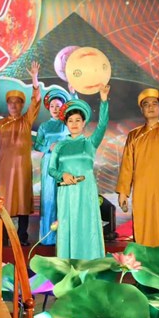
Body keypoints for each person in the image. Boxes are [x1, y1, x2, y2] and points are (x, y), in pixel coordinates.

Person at [116, 58, 159, 247]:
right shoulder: (134, 135)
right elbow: (127, 165)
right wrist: (123, 192)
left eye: (154, 103)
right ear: (141, 109)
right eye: (146, 104)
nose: (151, 106)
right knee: (144, 226)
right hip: (142, 188)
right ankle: (144, 265)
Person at [47, 85, 110, 260]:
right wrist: (63, 175)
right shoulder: (60, 146)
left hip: (86, 192)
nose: (74, 124)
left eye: (77, 120)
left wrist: (104, 100)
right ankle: (69, 266)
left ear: (83, 123)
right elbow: (52, 169)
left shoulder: (89, 144)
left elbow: (103, 125)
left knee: (86, 225)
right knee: (68, 225)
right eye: (70, 121)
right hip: (66, 192)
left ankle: (90, 265)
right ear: (66, 123)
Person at [0, 61, 42, 245]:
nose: (14, 106)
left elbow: (36, 102)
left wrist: (34, 79)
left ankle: (22, 236)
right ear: (7, 105)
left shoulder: (26, 121)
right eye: (11, 103)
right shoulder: (1, 124)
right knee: (4, 202)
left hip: (22, 169)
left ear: (22, 105)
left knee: (23, 201)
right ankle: (3, 234)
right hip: (4, 170)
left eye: (17, 103)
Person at [34, 85, 74, 245]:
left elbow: (76, 110)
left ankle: (65, 237)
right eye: (52, 106)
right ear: (48, 108)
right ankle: (48, 237)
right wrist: (48, 147)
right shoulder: (44, 126)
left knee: (64, 198)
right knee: (49, 198)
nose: (55, 109)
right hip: (49, 164)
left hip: (64, 164)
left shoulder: (67, 124)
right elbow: (37, 145)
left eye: (58, 106)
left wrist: (72, 93)